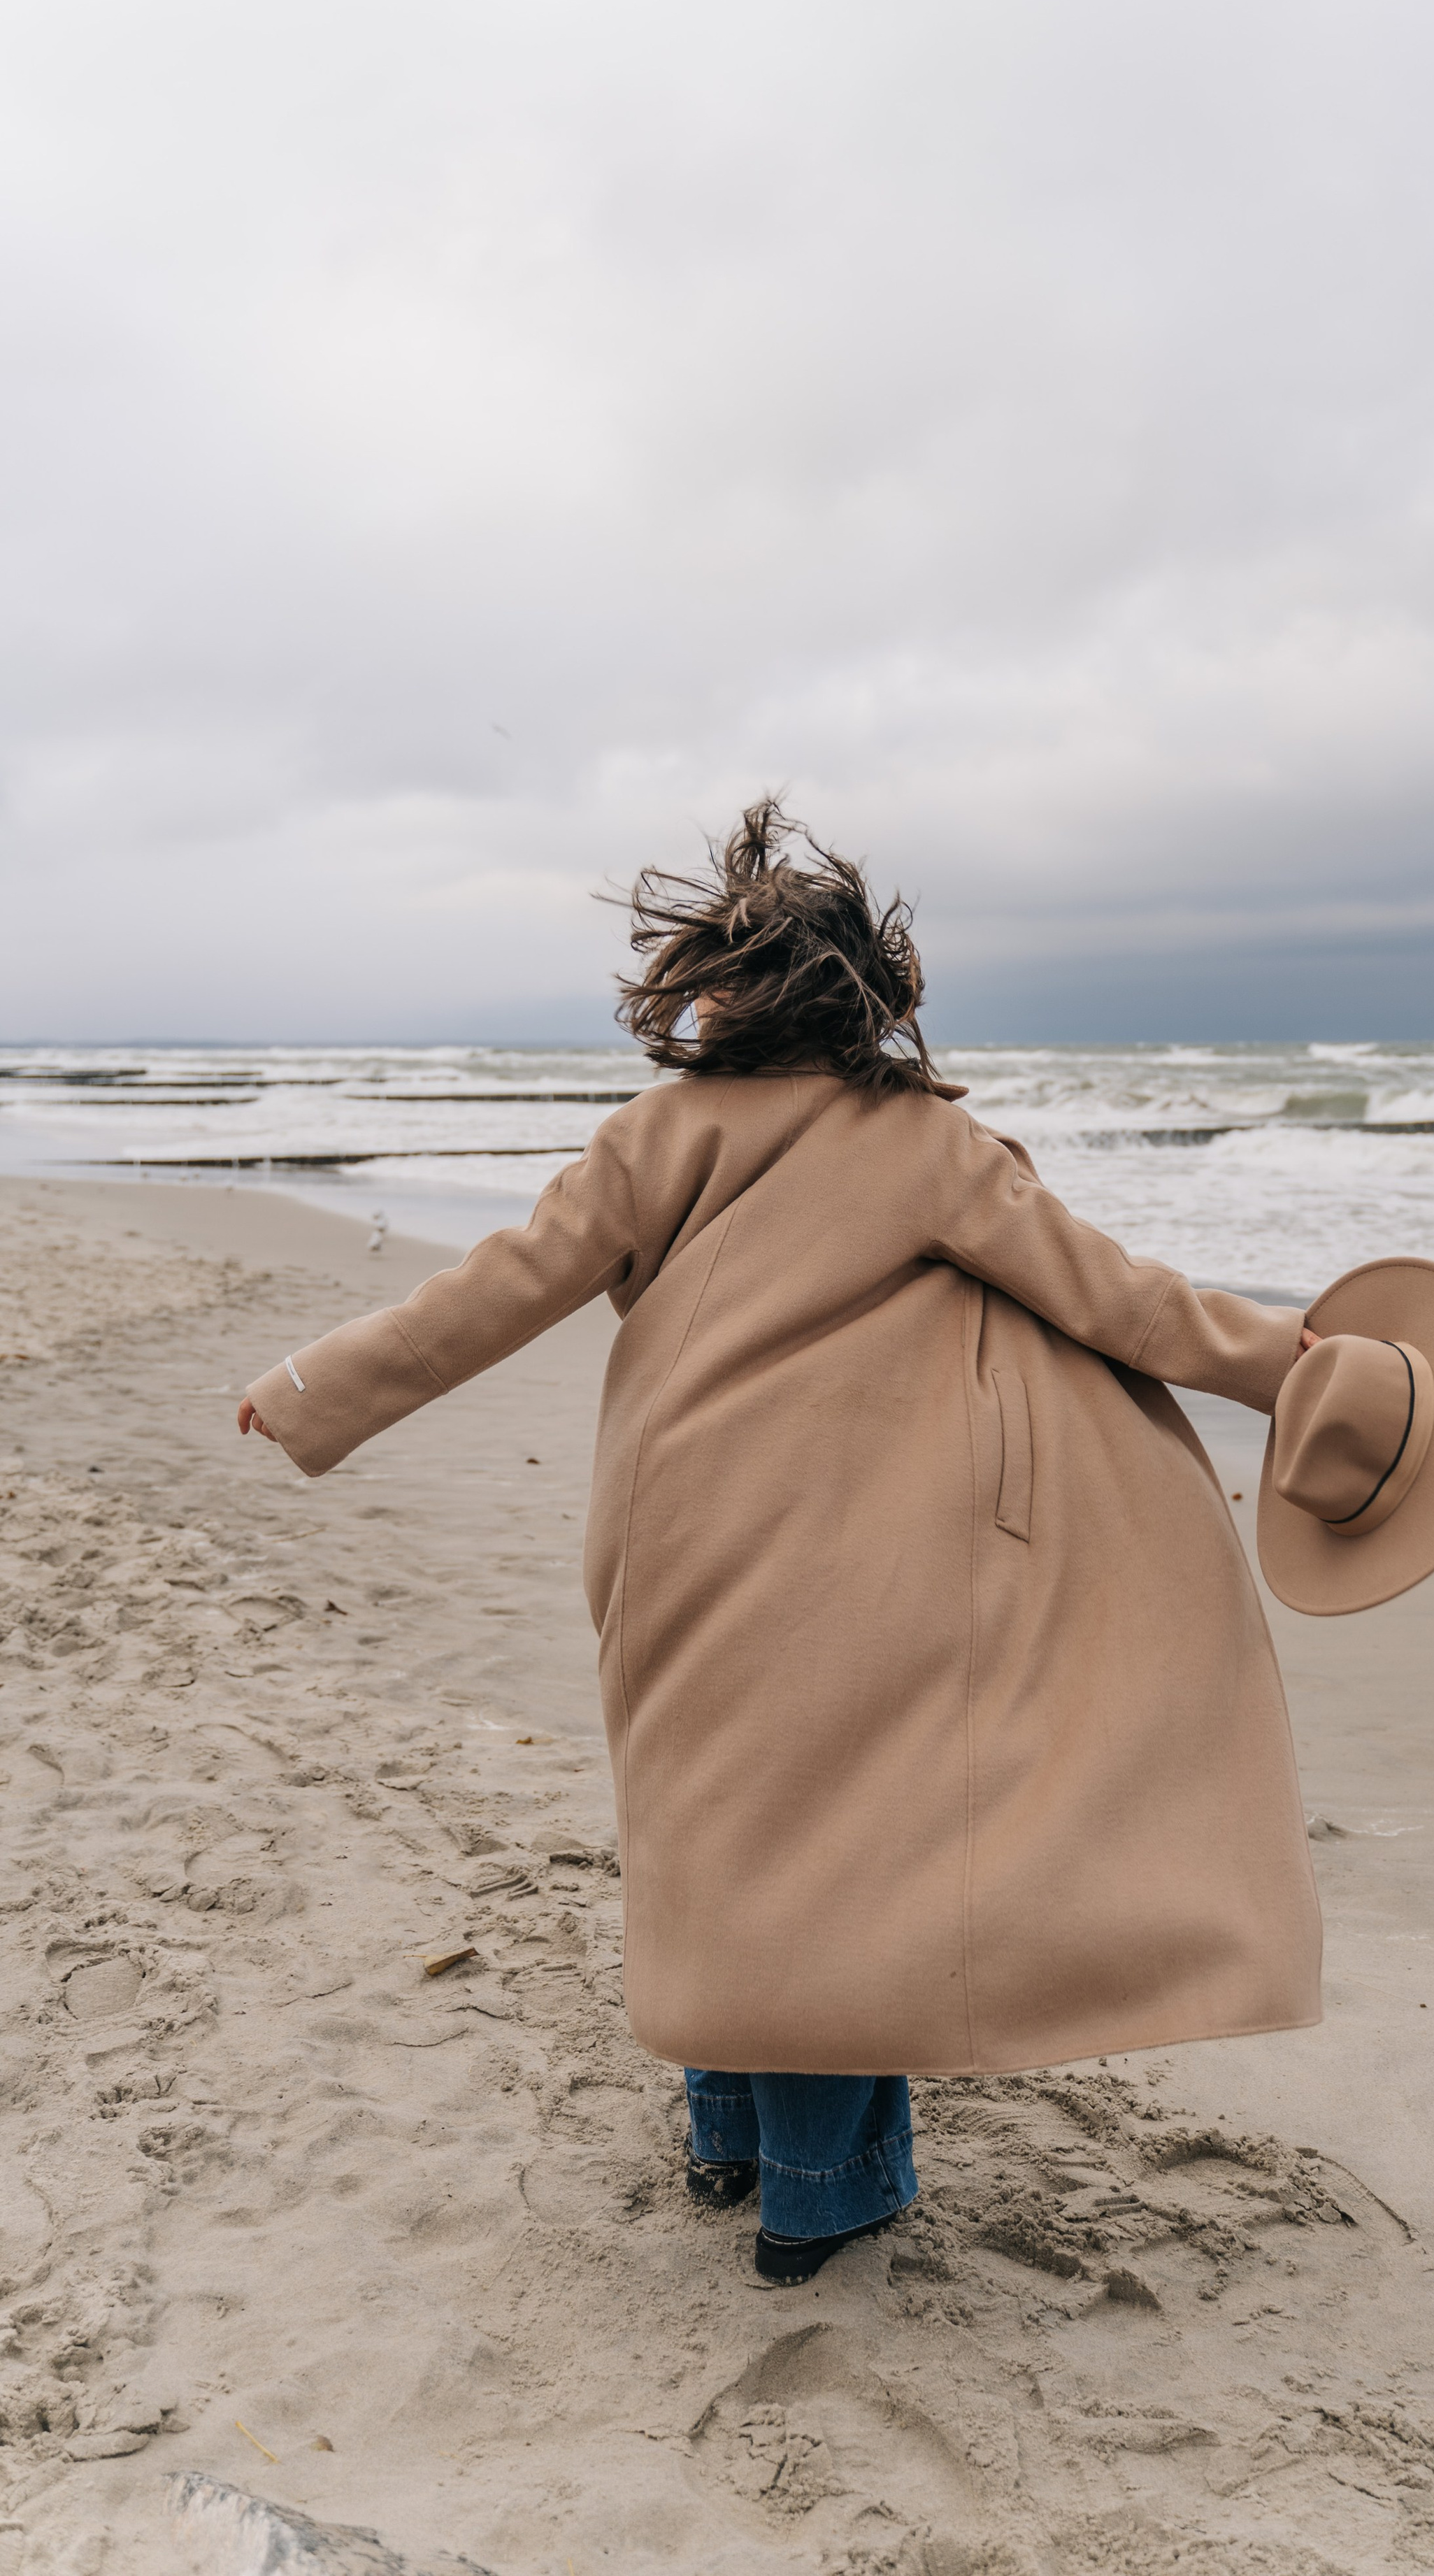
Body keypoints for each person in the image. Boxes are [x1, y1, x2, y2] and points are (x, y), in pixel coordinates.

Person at [238, 801, 1331, 2286]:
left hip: (671, 1539)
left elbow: (495, 1294)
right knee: (842, 1865)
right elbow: (1127, 1307)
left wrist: (319, 1390)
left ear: (715, 994)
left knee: (715, 1838)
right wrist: (1307, 1373)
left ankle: (724, 2138)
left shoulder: (650, 1137)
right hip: (856, 1561)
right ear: (864, 999)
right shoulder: (925, 1146)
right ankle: (820, 2197)